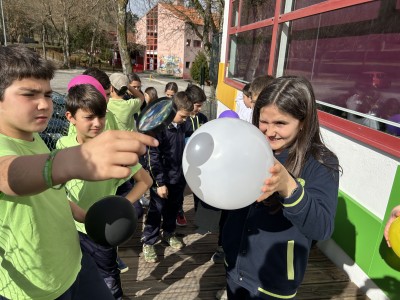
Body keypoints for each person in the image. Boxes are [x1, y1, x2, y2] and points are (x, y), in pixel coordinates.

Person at [0, 44, 158, 300]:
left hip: (75, 263)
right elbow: (9, 174)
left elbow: (49, 194)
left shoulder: (32, 136)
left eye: (49, 95)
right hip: (37, 289)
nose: (43, 104)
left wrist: (84, 215)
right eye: (29, 94)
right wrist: (69, 161)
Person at [222, 76, 340, 299]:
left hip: (273, 281)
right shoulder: (249, 146)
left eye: (280, 123)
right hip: (234, 264)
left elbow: (323, 227)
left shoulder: (321, 163)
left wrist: (289, 188)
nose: (268, 131)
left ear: (304, 121)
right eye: (263, 121)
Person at [57, 80, 153, 298]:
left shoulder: (112, 150)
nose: (98, 123)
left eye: (101, 116)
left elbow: (145, 180)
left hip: (101, 231)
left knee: (108, 277)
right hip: (69, 229)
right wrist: (76, 212)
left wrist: (122, 205)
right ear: (70, 117)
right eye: (89, 117)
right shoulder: (62, 145)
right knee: (75, 275)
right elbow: (57, 189)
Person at [141, 91, 193, 263]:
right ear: (172, 111)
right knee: (156, 210)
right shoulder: (159, 128)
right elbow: (152, 157)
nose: (185, 120)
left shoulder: (184, 125)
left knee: (173, 207)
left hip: (178, 176)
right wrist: (159, 183)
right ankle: (149, 241)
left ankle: (169, 233)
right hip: (162, 179)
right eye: (183, 116)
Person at [180, 84, 208, 227]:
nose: (200, 109)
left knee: (198, 188)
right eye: (197, 105)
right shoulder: (181, 120)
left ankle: (199, 215)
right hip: (181, 161)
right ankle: (179, 212)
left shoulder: (203, 118)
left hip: (198, 162)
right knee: (180, 188)